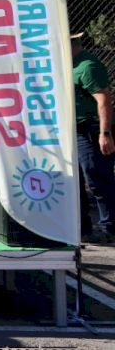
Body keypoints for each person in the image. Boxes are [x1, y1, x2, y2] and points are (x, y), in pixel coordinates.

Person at [71, 30, 115, 244]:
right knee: (77, 181)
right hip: (75, 129)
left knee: (97, 178)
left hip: (91, 129)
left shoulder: (87, 66)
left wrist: (104, 133)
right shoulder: (70, 65)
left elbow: (103, 100)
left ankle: (110, 228)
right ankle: (84, 228)